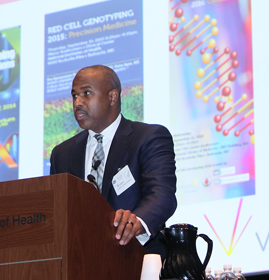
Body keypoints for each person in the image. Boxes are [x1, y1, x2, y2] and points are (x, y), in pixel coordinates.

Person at [49, 65, 176, 257]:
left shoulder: (147, 138)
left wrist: (137, 222)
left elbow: (162, 194)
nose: (78, 103)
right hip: (82, 263)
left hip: (137, 258)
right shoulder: (62, 154)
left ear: (112, 97)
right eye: (75, 96)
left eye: (86, 93)